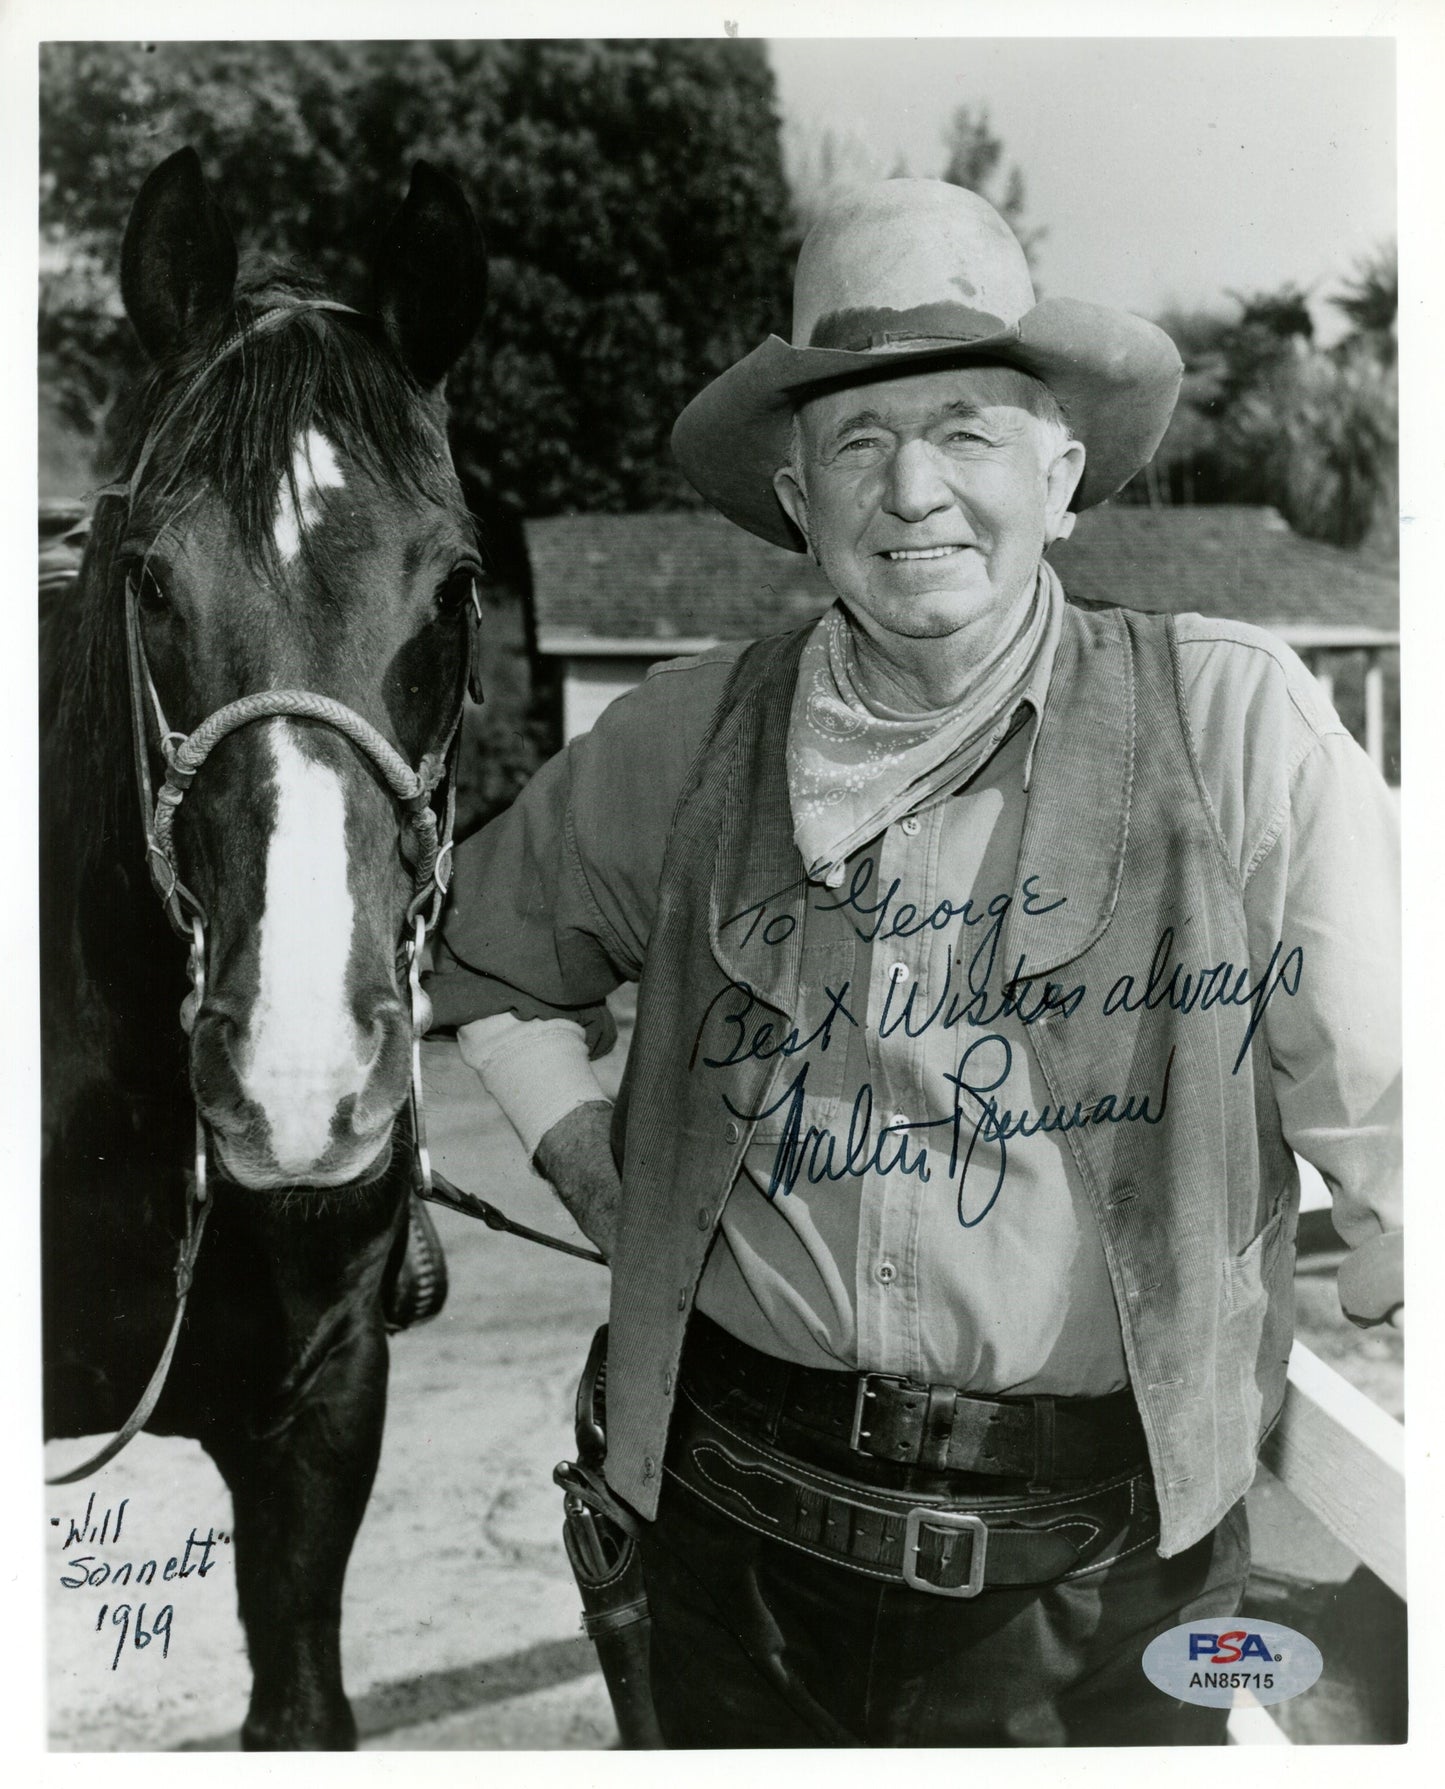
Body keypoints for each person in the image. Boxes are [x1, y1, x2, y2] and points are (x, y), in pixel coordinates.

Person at [426, 179, 1402, 1746]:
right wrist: (593, 1167)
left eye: (965, 430)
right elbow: (475, 956)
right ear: (798, 495)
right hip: (728, 1562)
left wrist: (1389, 1229)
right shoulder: (678, 739)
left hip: (1098, 1595)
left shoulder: (1233, 725)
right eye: (857, 442)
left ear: (1062, 475)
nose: (912, 490)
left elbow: (1395, 1109)